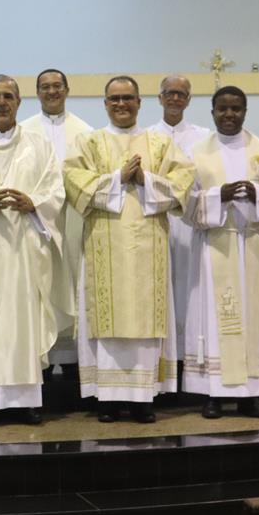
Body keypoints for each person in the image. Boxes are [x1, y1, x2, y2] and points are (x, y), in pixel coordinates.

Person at [63, 76, 195, 423]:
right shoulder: (88, 142)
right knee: (107, 319)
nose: (121, 104)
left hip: (149, 249)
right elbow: (74, 183)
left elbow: (183, 183)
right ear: (105, 104)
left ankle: (141, 399)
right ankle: (107, 400)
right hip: (103, 248)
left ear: (139, 102)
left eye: (128, 98)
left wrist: (145, 180)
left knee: (145, 321)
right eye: (114, 99)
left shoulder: (160, 143)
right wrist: (118, 178)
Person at [0, 75, 66, 425]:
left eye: (8, 96)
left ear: (19, 102)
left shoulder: (39, 146)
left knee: (24, 321)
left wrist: (34, 204)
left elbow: (55, 191)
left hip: (25, 248)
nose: (1, 102)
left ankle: (28, 401)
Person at [182, 86, 259, 419]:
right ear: (212, 112)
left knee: (252, 318)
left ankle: (250, 395)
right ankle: (213, 394)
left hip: (251, 244)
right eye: (223, 109)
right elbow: (183, 202)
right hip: (214, 245)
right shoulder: (196, 153)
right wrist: (219, 195)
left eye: (236, 108)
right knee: (214, 320)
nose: (229, 114)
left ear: (245, 111)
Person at [19, 69, 92, 381]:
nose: (51, 92)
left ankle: (75, 367)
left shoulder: (86, 132)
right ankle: (43, 366)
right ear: (37, 92)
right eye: (45, 87)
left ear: (67, 90)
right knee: (41, 287)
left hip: (72, 220)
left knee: (73, 286)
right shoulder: (24, 131)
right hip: (36, 221)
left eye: (57, 86)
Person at [149, 75, 211, 356]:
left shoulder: (204, 138)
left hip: (189, 221)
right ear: (159, 98)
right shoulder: (146, 136)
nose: (175, 98)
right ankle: (161, 355)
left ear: (189, 100)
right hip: (157, 219)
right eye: (169, 93)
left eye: (181, 94)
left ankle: (188, 355)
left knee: (189, 287)